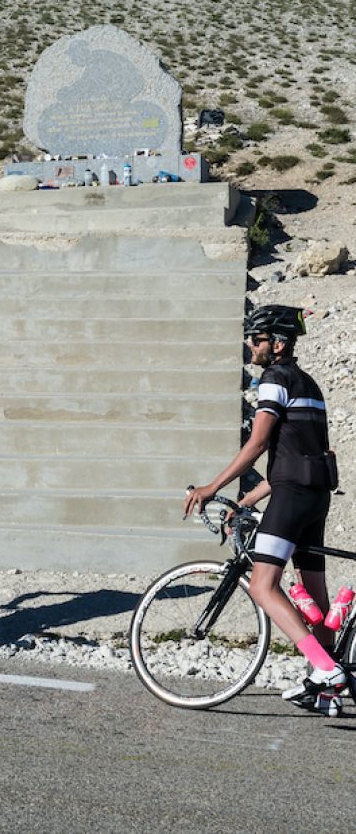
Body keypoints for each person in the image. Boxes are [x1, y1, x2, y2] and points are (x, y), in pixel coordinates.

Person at [184, 304, 344, 713]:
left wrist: (212, 486)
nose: (250, 346)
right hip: (315, 495)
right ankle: (325, 681)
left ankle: (325, 669)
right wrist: (246, 500)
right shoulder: (309, 383)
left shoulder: (273, 380)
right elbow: (300, 456)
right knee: (314, 593)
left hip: (292, 495)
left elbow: (257, 446)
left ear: (277, 343)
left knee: (261, 584)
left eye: (256, 340)